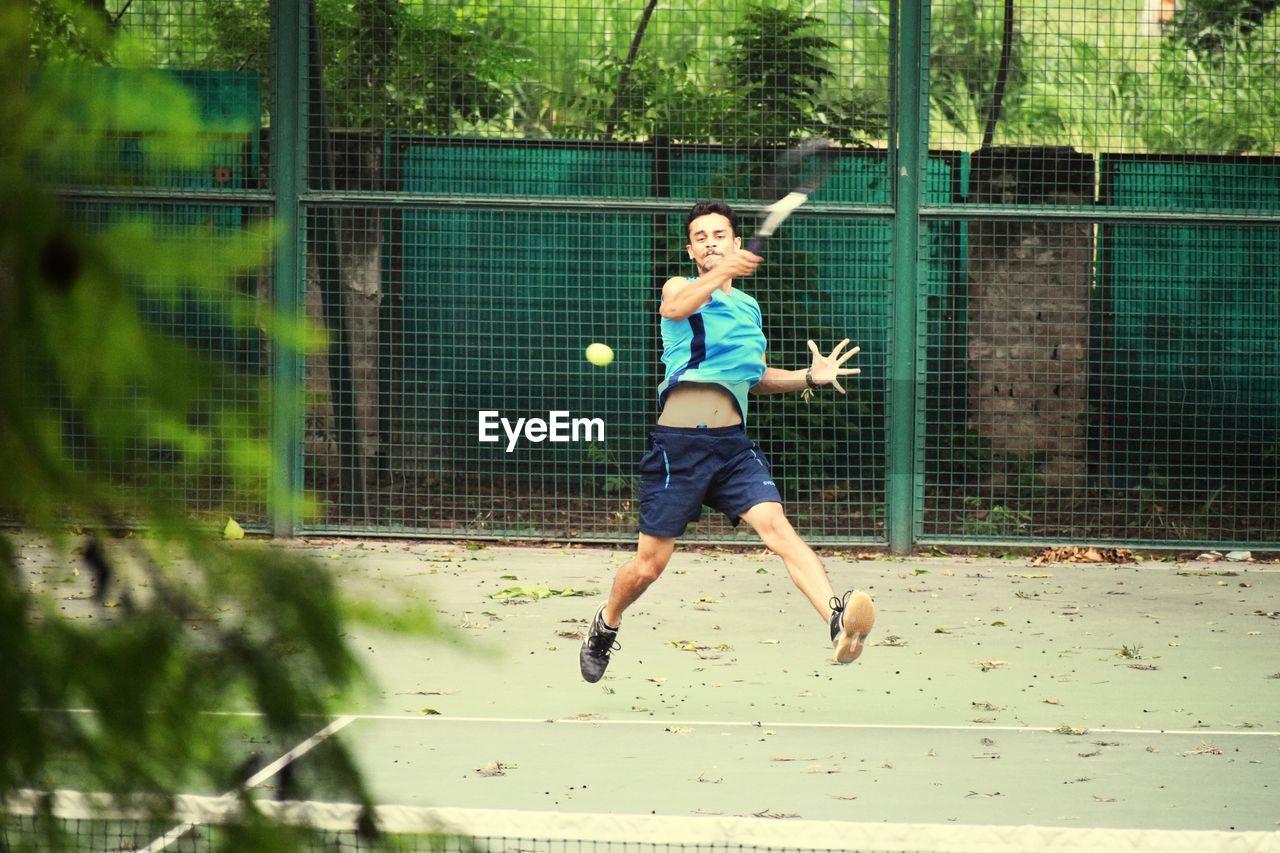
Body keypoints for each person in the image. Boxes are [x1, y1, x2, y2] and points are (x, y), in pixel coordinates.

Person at [580, 199, 875, 683]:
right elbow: (675, 306)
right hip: (680, 447)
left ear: (736, 242)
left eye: (720, 235)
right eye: (701, 237)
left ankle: (837, 621)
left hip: (733, 447)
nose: (711, 242)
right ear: (692, 250)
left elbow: (754, 377)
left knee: (778, 530)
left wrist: (808, 377)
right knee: (649, 567)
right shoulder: (681, 287)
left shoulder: (749, 306)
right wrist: (720, 274)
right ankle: (605, 626)